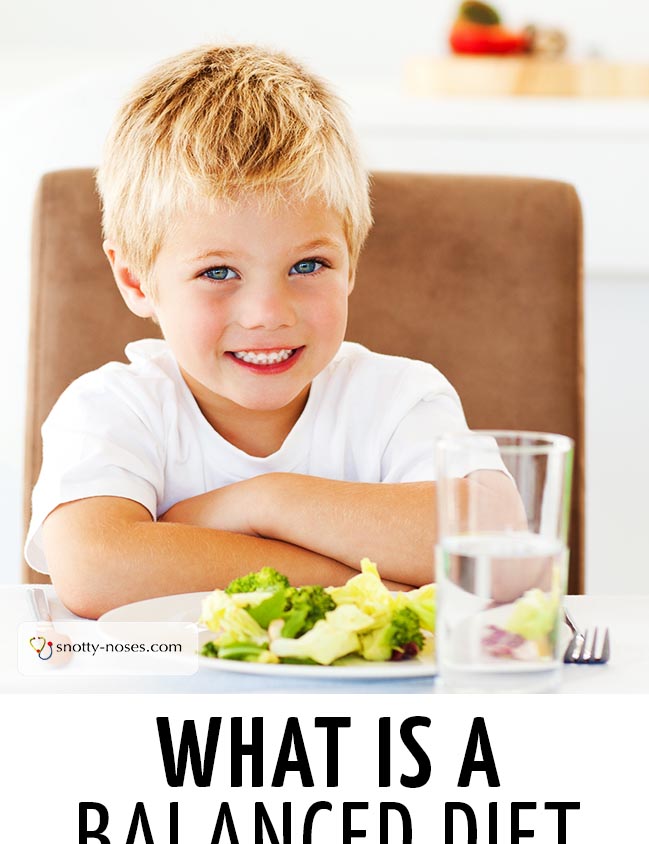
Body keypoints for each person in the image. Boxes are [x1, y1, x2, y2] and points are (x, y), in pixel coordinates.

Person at [25, 44, 519, 618]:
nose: (267, 313)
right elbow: (94, 567)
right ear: (136, 281)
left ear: (351, 265)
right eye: (218, 272)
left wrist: (264, 501)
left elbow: (493, 542)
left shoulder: (400, 398)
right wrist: (352, 583)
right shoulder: (111, 408)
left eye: (308, 266)